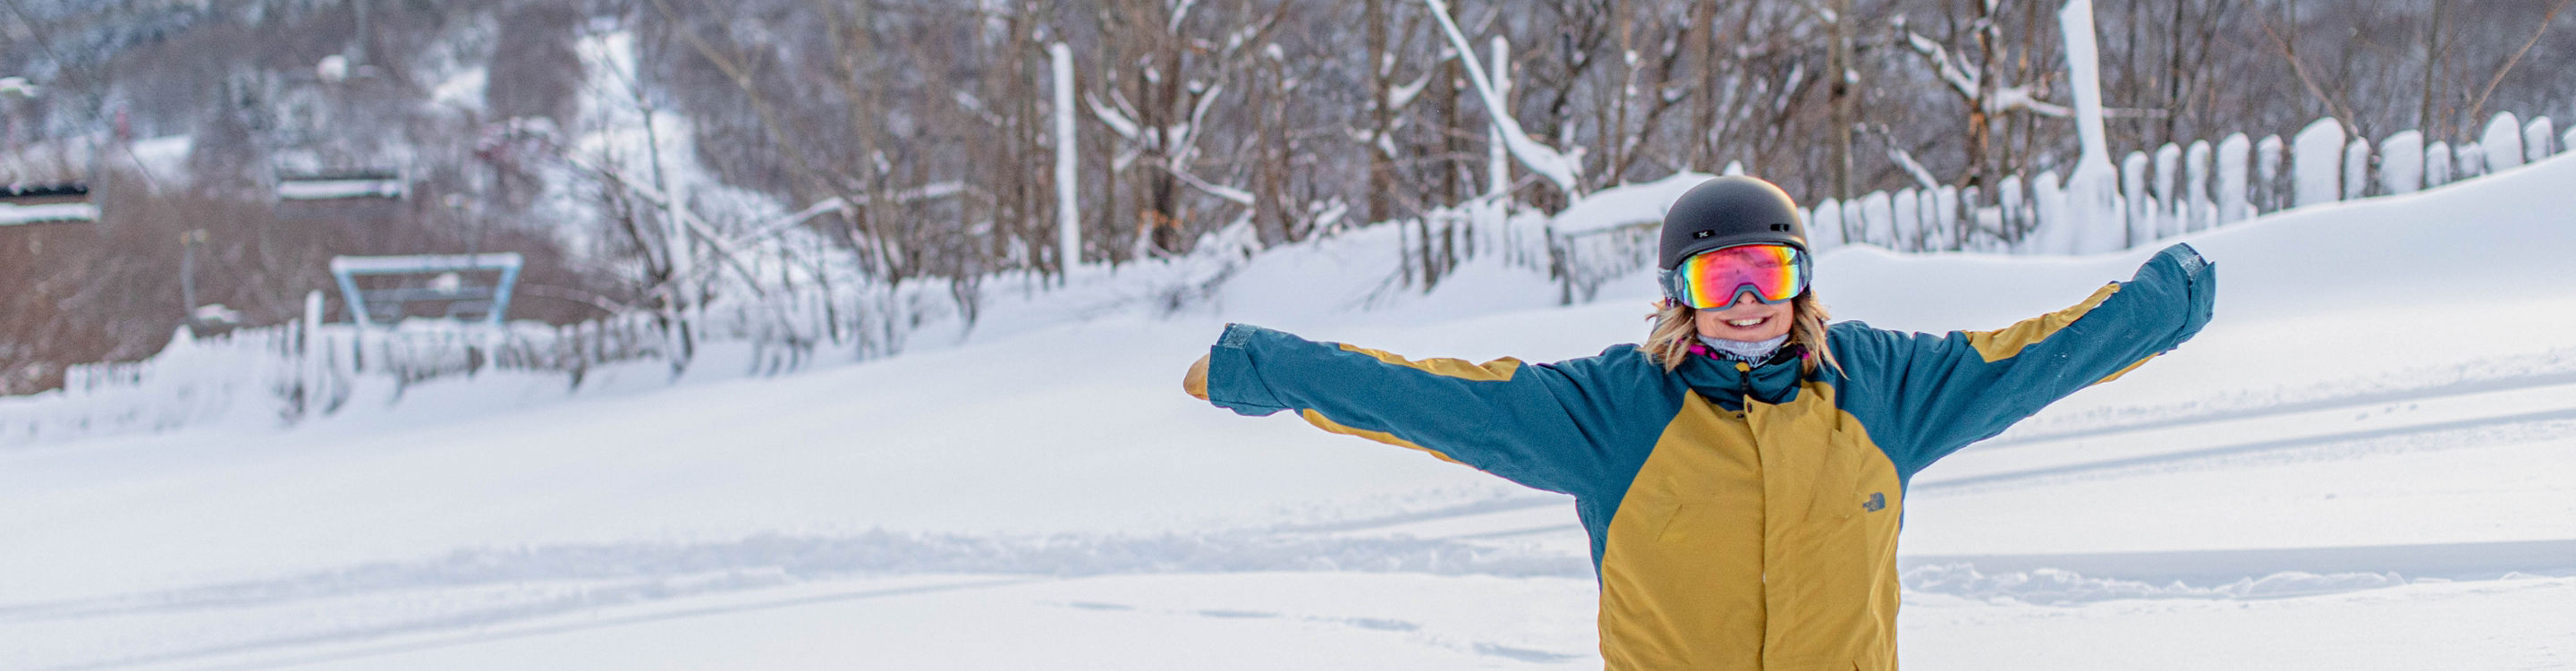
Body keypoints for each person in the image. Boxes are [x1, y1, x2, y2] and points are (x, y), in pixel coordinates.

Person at [1182, 175, 2216, 670]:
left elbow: (2036, 357)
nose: (1746, 298)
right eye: (1717, 276)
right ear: (1679, 294)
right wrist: (1263, 367)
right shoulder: (1613, 413)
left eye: (1767, 269)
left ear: (1803, 278)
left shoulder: (1882, 391)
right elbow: (1438, 399)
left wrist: (2162, 304)